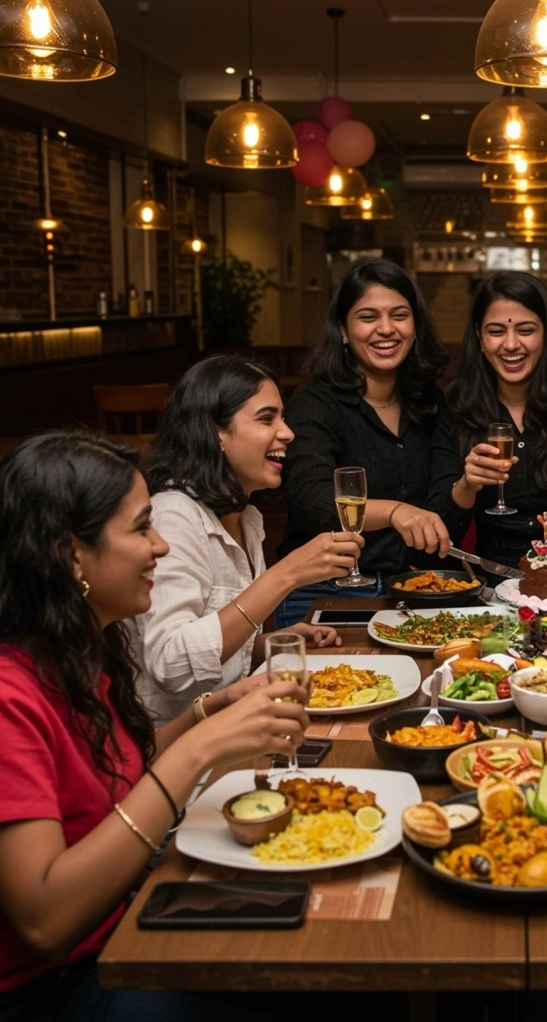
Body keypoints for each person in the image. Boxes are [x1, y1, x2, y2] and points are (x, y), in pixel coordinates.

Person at [0, 432, 309, 1018]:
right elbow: (45, 921)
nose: (162, 546)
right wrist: (195, 753)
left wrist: (209, 711)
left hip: (127, 924)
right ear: (71, 555)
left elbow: (119, 774)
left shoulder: (82, 650)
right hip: (55, 985)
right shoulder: (10, 695)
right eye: (142, 527)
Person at [129, 356, 362, 726]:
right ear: (215, 433)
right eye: (267, 419)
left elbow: (212, 649)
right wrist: (285, 575)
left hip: (238, 726)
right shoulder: (173, 516)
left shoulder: (246, 517)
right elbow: (169, 663)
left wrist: (264, 646)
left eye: (282, 418)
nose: (287, 432)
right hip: (181, 751)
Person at [277, 259, 451, 626]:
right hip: (322, 594)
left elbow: (441, 505)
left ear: (415, 326)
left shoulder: (429, 403)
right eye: (368, 316)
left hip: (409, 592)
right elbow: (313, 502)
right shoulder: (315, 402)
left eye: (399, 315)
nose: (386, 329)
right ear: (343, 329)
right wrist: (393, 510)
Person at [427, 272, 547, 574]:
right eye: (496, 331)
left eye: (526, 330)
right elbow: (440, 529)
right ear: (479, 335)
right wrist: (466, 486)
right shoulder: (456, 409)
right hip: (490, 588)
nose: (511, 344)